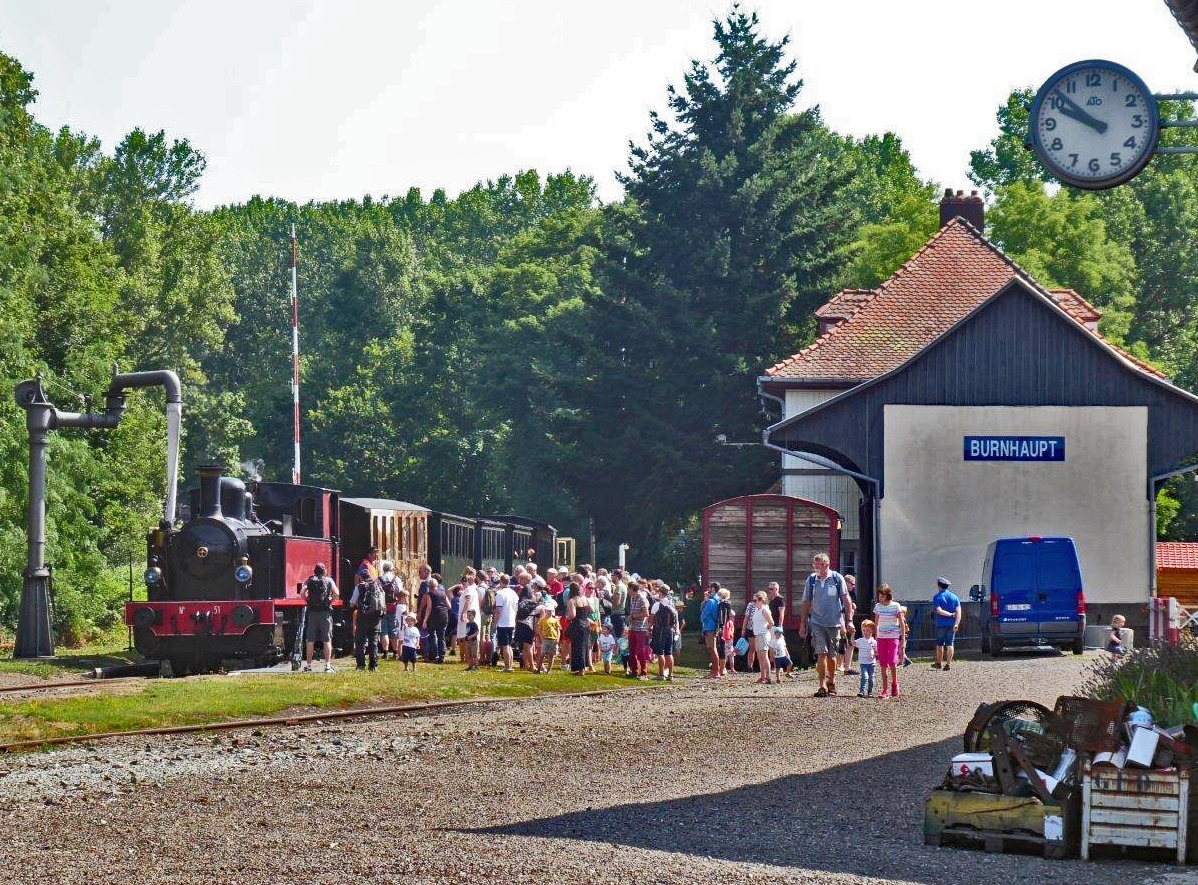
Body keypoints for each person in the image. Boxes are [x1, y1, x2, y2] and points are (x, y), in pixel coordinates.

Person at [800, 552, 853, 698]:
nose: (815, 568)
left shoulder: (836, 578)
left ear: (826, 565)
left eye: (818, 565)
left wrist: (849, 621)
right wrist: (803, 624)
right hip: (817, 622)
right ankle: (821, 685)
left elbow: (846, 600)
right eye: (814, 565)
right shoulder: (811, 580)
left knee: (832, 654)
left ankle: (831, 682)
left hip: (834, 623)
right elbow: (806, 602)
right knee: (820, 653)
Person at [299, 562, 338, 673]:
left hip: (312, 613)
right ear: (325, 571)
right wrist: (331, 601)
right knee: (327, 640)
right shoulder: (329, 580)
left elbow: (302, 593)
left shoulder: (309, 580)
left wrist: (308, 601)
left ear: (314, 571)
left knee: (310, 640)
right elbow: (337, 593)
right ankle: (327, 666)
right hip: (325, 613)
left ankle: (309, 666)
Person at [873, 584, 907, 698]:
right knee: (882, 664)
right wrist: (875, 638)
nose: (880, 599)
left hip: (893, 637)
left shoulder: (895, 606)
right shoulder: (877, 606)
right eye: (879, 596)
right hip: (881, 638)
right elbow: (876, 623)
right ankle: (884, 689)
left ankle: (895, 683)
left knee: (892, 662)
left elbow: (902, 623)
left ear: (887, 596)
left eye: (882, 596)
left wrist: (903, 638)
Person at [350, 572, 383, 671]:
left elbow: (353, 602)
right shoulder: (377, 586)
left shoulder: (359, 587)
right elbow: (382, 603)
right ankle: (373, 666)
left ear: (361, 578)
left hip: (362, 618)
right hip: (375, 619)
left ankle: (360, 665)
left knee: (360, 642)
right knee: (373, 643)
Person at [931, 576, 961, 671]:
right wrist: (956, 623)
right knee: (950, 644)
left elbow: (939, 611)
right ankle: (948, 664)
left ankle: (939, 663)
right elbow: (959, 612)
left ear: (939, 586)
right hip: (952, 624)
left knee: (940, 644)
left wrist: (950, 615)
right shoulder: (954, 597)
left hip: (941, 624)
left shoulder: (937, 597)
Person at [746, 590, 775, 685]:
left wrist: (766, 628)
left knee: (764, 656)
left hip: (763, 635)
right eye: (753, 600)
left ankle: (768, 677)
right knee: (760, 656)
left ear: (761, 600)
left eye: (755, 600)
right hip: (757, 634)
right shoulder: (758, 610)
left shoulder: (764, 609)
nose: (754, 602)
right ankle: (762, 676)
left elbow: (771, 622)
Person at [418, 577, 450, 663]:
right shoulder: (443, 593)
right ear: (437, 585)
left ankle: (433, 655)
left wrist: (425, 620)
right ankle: (441, 656)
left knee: (432, 635)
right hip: (443, 615)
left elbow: (429, 608)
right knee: (441, 636)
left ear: (429, 586)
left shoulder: (429, 594)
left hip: (433, 617)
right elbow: (449, 606)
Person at [650, 585, 678, 682]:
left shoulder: (657, 605)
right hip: (670, 630)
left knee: (660, 653)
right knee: (669, 653)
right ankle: (671, 675)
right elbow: (676, 620)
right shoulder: (672, 605)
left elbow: (651, 619)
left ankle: (661, 674)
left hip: (660, 630)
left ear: (661, 593)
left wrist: (649, 628)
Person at [626, 579, 652, 680]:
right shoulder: (632, 598)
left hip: (641, 628)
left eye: (629, 589)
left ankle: (644, 672)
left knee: (640, 651)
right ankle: (634, 670)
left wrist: (633, 617)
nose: (628, 591)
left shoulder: (642, 598)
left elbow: (646, 614)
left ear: (633, 589)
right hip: (633, 627)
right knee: (631, 650)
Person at [377, 561, 404, 660]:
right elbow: (400, 592)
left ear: (383, 569)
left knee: (384, 631)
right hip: (393, 606)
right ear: (391, 569)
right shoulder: (396, 579)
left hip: (383, 607)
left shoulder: (379, 580)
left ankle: (385, 652)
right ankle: (396, 652)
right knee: (394, 629)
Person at [493, 577, 519, 672]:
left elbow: (498, 610)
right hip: (511, 621)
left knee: (505, 645)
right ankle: (510, 666)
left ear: (501, 582)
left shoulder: (500, 594)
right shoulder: (514, 593)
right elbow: (516, 609)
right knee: (508, 645)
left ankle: (507, 667)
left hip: (503, 623)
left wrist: (495, 622)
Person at [566, 583, 593, 675]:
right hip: (586, 625)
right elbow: (592, 610)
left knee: (577, 647)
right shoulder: (585, 599)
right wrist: (584, 615)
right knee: (584, 647)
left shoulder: (572, 601)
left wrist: (567, 617)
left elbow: (572, 615)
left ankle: (580, 670)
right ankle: (583, 668)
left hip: (577, 625)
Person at [456, 574, 481, 664]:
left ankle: (466, 658)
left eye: (465, 580)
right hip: (470, 615)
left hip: (468, 616)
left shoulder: (469, 589)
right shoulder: (472, 589)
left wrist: (463, 613)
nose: (463, 582)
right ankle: (466, 658)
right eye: (462, 580)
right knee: (464, 637)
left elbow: (468, 600)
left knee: (464, 637)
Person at [700, 584, 722, 679]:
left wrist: (705, 601)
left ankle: (715, 672)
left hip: (709, 627)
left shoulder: (710, 601)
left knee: (712, 650)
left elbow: (703, 615)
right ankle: (715, 671)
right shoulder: (717, 600)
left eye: (709, 588)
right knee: (713, 649)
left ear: (713, 589)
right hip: (713, 627)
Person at [840, 574, 858, 676]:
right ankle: (837, 667)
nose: (853, 586)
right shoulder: (839, 593)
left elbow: (852, 605)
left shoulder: (852, 594)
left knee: (851, 643)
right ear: (846, 583)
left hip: (849, 621)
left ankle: (847, 667)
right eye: (852, 584)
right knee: (840, 644)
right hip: (841, 620)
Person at [855, 619, 878, 697]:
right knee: (865, 676)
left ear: (872, 631)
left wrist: (875, 654)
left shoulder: (874, 642)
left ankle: (870, 692)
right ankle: (862, 691)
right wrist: (852, 634)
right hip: (863, 662)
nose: (865, 632)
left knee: (871, 678)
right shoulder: (860, 640)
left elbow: (876, 652)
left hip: (871, 663)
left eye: (868, 630)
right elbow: (853, 643)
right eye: (864, 630)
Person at [537, 605, 561, 673]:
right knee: (542, 654)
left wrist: (558, 638)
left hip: (553, 638)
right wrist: (541, 638)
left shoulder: (555, 620)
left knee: (551, 655)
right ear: (546, 611)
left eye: (551, 611)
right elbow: (539, 629)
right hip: (545, 639)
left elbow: (558, 630)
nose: (549, 612)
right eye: (548, 611)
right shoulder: (542, 620)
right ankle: (538, 668)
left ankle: (549, 669)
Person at [716, 587, 734, 677]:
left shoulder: (723, 604)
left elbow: (722, 616)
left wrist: (721, 627)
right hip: (726, 626)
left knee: (721, 648)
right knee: (723, 648)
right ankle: (722, 668)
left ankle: (722, 669)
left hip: (723, 627)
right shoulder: (728, 603)